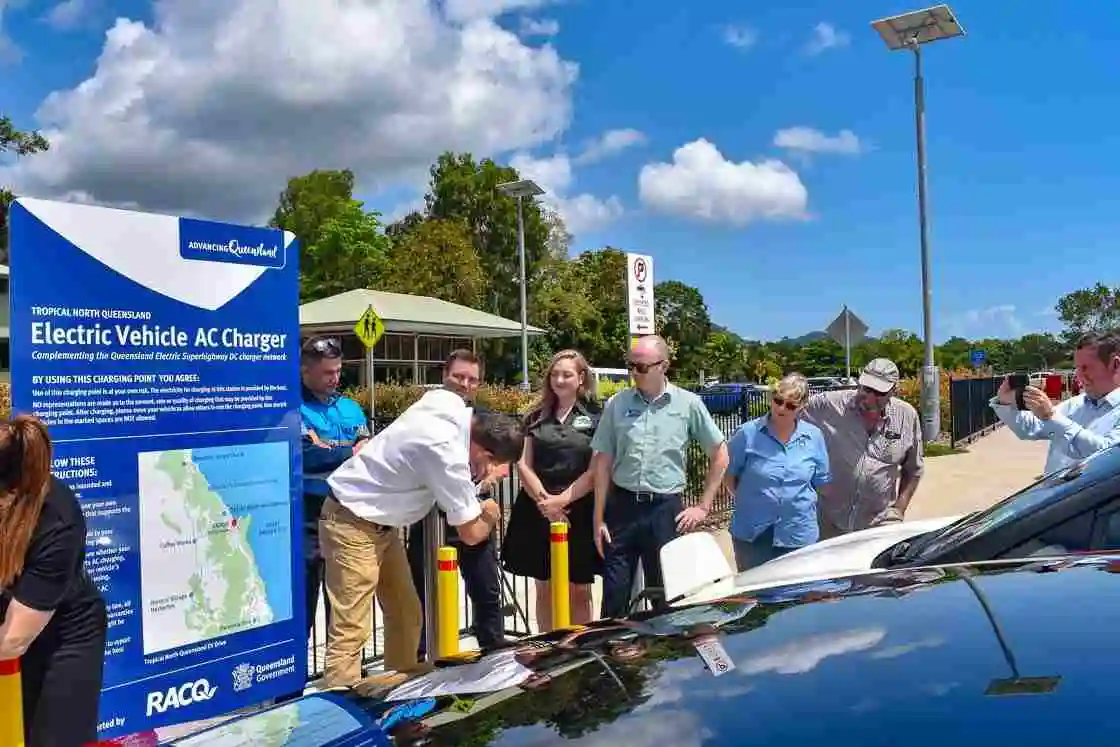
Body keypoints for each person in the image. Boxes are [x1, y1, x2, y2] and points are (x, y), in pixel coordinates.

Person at [319, 387, 524, 689]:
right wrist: (491, 513)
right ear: (484, 451)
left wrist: (474, 477)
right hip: (352, 521)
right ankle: (338, 715)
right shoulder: (446, 453)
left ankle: (400, 690)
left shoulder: (449, 404)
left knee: (406, 612)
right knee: (352, 627)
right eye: (493, 464)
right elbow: (470, 533)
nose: (492, 471)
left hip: (382, 524)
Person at [591, 335, 728, 619]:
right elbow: (602, 461)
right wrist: (598, 517)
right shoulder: (618, 403)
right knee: (615, 596)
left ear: (663, 366)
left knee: (666, 597)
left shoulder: (688, 404)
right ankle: (614, 657)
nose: (635, 373)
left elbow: (720, 454)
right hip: (623, 509)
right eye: (631, 366)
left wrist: (703, 506)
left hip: (664, 511)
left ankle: (665, 659)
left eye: (642, 367)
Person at [0, 416, 107, 746]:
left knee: (50, 738)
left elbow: (11, 642)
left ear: (9, 493)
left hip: (64, 637)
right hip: (11, 612)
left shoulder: (57, 521)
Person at [406, 350, 507, 655]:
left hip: (474, 513)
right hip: (431, 517)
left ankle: (494, 656)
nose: (465, 383)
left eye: (472, 379)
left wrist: (491, 474)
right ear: (444, 376)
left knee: (487, 592)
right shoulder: (425, 415)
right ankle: (421, 660)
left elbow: (503, 459)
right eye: (458, 376)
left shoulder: (483, 420)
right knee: (423, 594)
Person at [502, 350, 602, 630]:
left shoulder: (597, 416)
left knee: (578, 589)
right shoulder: (533, 416)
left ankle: (580, 648)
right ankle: (548, 648)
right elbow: (523, 465)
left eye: (567, 374)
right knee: (543, 585)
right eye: (555, 374)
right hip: (537, 511)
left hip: (579, 511)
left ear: (581, 378)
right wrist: (547, 504)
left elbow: (596, 470)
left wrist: (562, 502)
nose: (559, 379)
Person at [801, 358, 923, 539]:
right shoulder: (827, 405)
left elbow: (913, 469)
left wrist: (899, 510)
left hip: (877, 525)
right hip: (827, 523)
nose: (869, 397)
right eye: (866, 389)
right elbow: (786, 414)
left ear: (893, 391)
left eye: (879, 392)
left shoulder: (907, 416)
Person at [299, 337, 369, 642]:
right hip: (309, 515)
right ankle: (293, 685)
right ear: (305, 372)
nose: (335, 378)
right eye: (328, 372)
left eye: (338, 370)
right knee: (304, 599)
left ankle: (342, 672)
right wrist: (347, 452)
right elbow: (306, 456)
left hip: (347, 513)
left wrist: (330, 448)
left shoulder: (351, 408)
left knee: (344, 602)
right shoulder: (293, 407)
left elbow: (368, 452)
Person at [724, 373, 832, 571]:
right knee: (755, 597)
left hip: (798, 532)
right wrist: (751, 500)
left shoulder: (814, 436)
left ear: (802, 407)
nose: (781, 408)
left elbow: (822, 482)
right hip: (752, 533)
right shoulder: (747, 433)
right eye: (778, 401)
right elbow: (729, 475)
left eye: (790, 405)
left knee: (798, 596)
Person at [990, 329, 1120, 475]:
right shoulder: (1075, 404)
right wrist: (1005, 401)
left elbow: (1106, 457)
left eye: (1086, 368)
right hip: (1055, 494)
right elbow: (1030, 427)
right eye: (1077, 368)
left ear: (1115, 365)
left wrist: (1051, 416)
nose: (1079, 376)